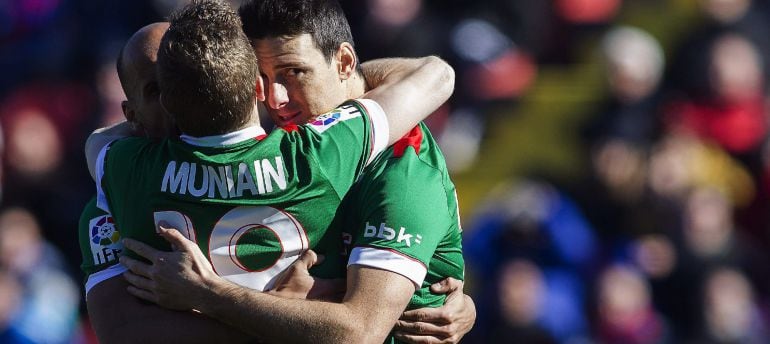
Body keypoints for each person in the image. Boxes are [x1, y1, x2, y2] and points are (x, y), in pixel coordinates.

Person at [86, 0, 456, 343]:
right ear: (255, 88)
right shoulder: (314, 156)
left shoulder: (117, 171)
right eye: (155, 88)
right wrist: (277, 311)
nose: (279, 98)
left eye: (293, 72)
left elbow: (361, 328)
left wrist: (211, 295)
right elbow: (435, 74)